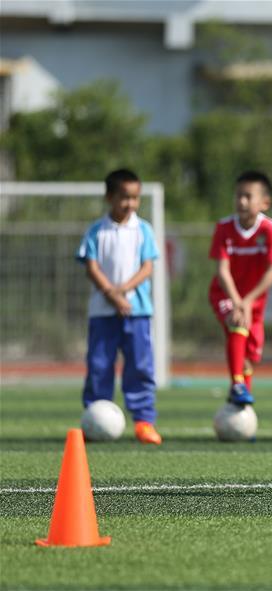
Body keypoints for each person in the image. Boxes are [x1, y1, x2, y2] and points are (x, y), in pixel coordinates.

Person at [76, 168, 162, 444]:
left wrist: (123, 290)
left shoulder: (143, 230)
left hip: (137, 312)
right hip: (103, 312)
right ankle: (96, 414)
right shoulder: (96, 231)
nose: (130, 204)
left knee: (140, 366)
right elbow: (91, 266)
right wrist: (111, 295)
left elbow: (147, 266)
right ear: (109, 197)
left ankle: (143, 422)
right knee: (100, 365)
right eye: (124, 198)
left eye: (135, 198)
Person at [208, 171, 272, 406]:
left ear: (264, 202)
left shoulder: (269, 229)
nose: (241, 201)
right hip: (224, 293)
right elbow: (222, 270)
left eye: (247, 196)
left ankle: (241, 404)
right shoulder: (224, 227)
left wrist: (248, 301)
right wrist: (238, 303)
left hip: (254, 301)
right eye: (238, 196)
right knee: (237, 324)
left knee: (251, 356)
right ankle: (237, 385)